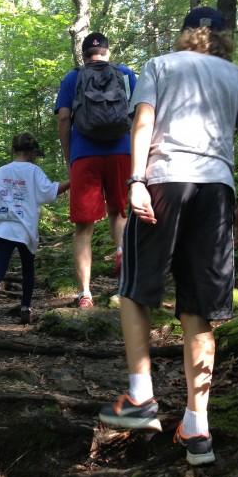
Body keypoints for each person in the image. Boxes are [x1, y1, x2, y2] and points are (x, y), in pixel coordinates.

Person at [99, 7, 238, 466]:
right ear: (224, 38)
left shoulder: (160, 65)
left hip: (164, 179)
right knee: (199, 307)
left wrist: (136, 179)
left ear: (185, 33)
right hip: (216, 188)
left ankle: (141, 397)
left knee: (135, 289)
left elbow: (143, 122)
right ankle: (197, 425)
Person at [55, 32, 137, 308]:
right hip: (121, 152)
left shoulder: (72, 77)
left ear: (84, 54)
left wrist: (70, 158)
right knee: (119, 211)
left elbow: (65, 118)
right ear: (107, 52)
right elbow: (139, 115)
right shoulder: (125, 75)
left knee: (83, 228)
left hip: (84, 155)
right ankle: (122, 251)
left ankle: (85, 294)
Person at [0, 132, 70, 331]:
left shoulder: (2, 171)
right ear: (33, 152)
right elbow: (51, 192)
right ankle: (25, 309)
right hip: (24, 230)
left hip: (3, 226)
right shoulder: (34, 171)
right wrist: (73, 181)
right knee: (28, 270)